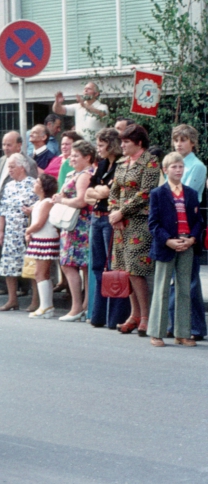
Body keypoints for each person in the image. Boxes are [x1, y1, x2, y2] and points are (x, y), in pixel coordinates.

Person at [148, 152, 202, 347]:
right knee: (161, 289)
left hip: (186, 244)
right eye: (174, 167)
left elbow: (198, 221)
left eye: (181, 167)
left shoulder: (190, 193)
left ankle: (182, 332)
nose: (178, 170)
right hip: (167, 245)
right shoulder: (158, 193)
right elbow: (153, 224)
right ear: (165, 170)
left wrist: (192, 239)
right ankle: (156, 332)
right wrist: (168, 241)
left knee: (184, 289)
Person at [108, 124, 159, 336]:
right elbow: (114, 190)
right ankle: (134, 314)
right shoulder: (122, 163)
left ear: (139, 142)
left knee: (137, 270)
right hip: (122, 224)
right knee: (125, 269)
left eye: (126, 142)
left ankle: (146, 316)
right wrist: (114, 213)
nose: (122, 145)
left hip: (140, 221)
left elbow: (146, 192)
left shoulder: (151, 162)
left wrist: (122, 212)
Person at [84, 128, 129, 329]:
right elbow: (89, 192)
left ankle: (115, 317)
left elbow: (109, 191)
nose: (98, 149)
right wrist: (99, 192)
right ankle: (98, 315)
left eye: (101, 145)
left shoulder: (120, 165)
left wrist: (99, 191)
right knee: (97, 267)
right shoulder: (101, 164)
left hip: (110, 219)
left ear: (111, 145)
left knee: (113, 268)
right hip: (96, 217)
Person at [167, 125, 207, 341]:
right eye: (176, 139)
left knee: (188, 279)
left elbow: (183, 194)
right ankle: (183, 324)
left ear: (192, 142)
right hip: (171, 223)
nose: (179, 143)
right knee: (178, 278)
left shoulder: (197, 166)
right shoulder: (173, 165)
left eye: (183, 139)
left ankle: (193, 326)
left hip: (187, 223)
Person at [52, 140, 96, 321]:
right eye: (71, 155)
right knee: (82, 265)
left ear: (87, 157)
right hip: (77, 224)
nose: (72, 159)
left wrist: (61, 201)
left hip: (79, 224)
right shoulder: (78, 173)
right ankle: (84, 306)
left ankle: (77, 307)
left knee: (70, 264)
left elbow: (81, 201)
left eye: (76, 156)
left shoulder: (84, 175)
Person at [0, 154, 38, 312]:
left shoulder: (33, 184)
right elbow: (3, 210)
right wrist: (0, 231)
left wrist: (32, 211)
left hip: (28, 231)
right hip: (11, 231)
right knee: (9, 266)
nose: (10, 170)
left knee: (32, 266)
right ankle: (12, 299)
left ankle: (35, 300)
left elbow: (42, 205)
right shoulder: (8, 186)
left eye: (12, 166)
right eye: (9, 167)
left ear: (22, 167)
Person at [24, 174, 60, 318]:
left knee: (40, 273)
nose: (34, 184)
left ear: (44, 187)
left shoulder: (46, 202)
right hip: (39, 239)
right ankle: (46, 305)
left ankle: (46, 306)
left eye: (37, 182)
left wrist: (28, 230)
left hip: (46, 240)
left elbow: (39, 223)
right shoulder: (39, 203)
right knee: (41, 273)